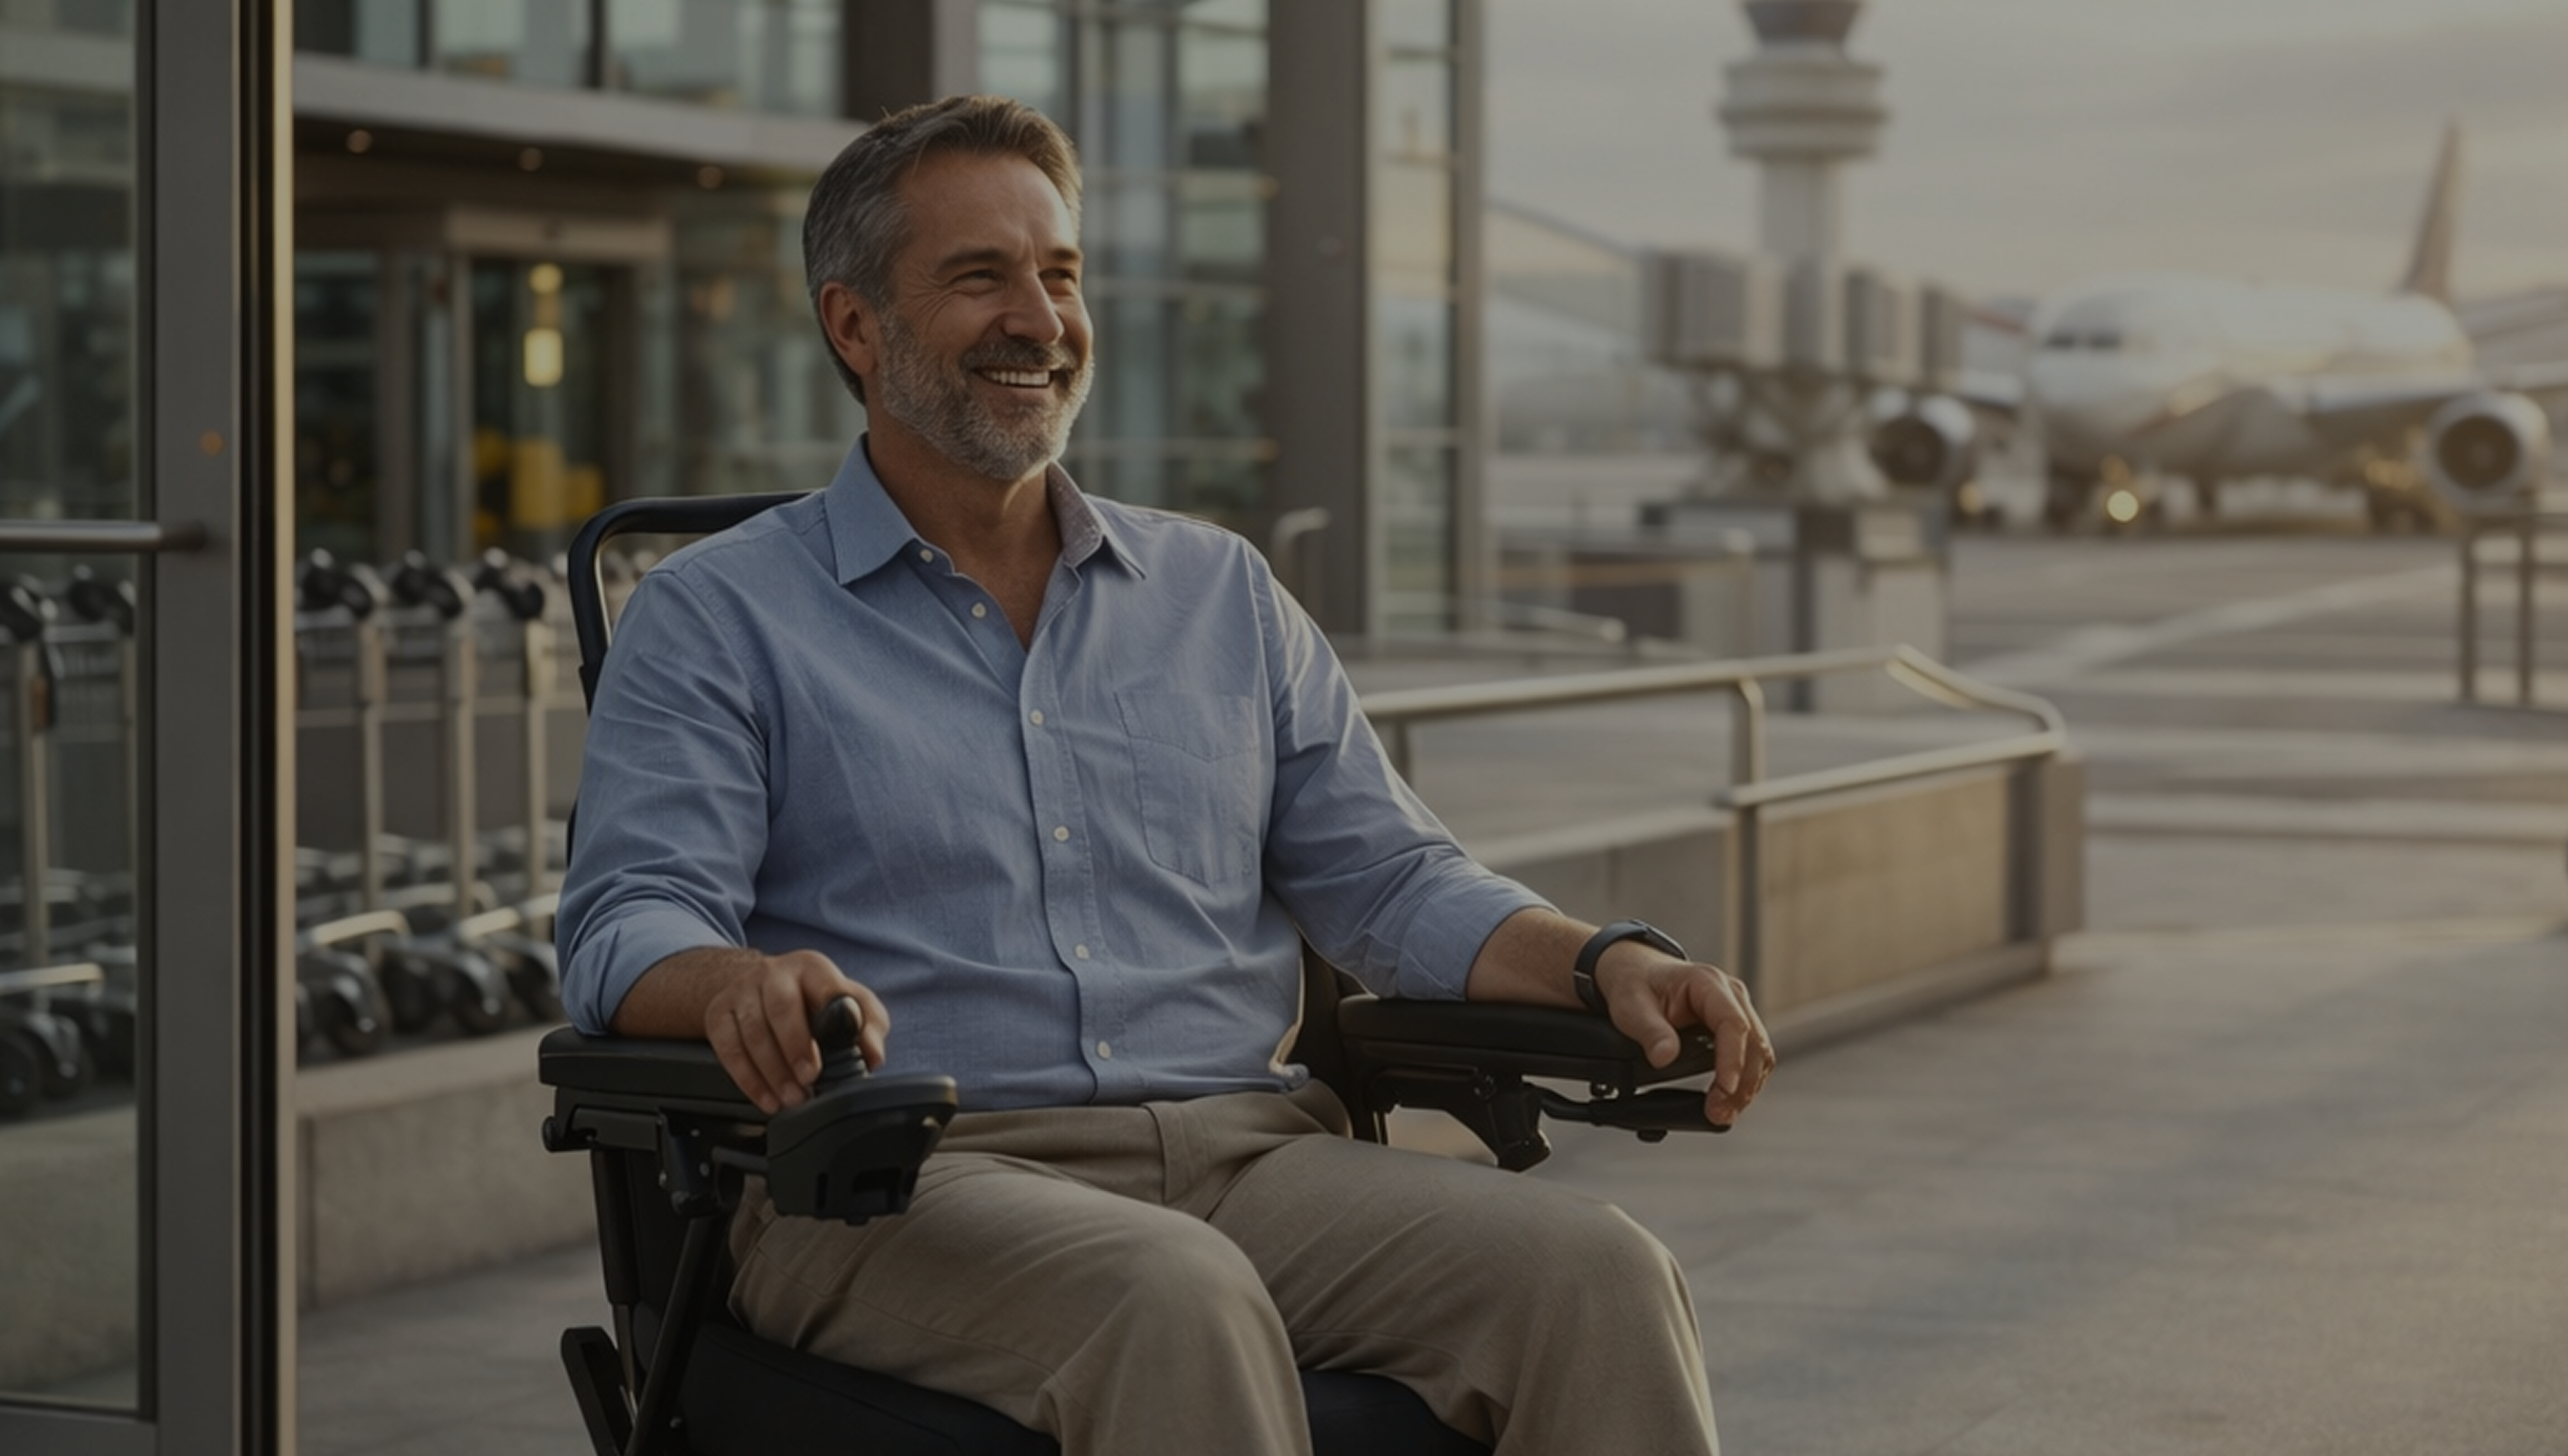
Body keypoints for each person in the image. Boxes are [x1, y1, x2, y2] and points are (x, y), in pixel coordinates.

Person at [555, 95, 1771, 1456]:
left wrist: (1603, 959)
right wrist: (735, 982)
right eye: (979, 277)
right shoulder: (719, 618)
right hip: (900, 1189)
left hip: (1252, 1157)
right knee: (1178, 1300)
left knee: (1599, 1279)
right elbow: (627, 919)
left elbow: (1391, 876)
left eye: (1060, 274)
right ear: (854, 326)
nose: (1039, 317)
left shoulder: (1218, 592)